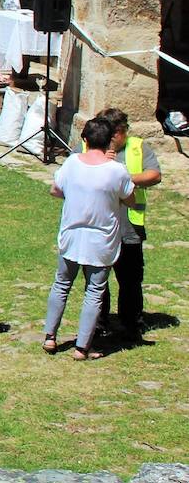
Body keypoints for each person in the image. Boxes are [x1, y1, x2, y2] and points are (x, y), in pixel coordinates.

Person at [43, 117, 135, 361]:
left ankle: (50, 336)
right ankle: (82, 347)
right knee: (94, 291)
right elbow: (130, 198)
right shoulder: (116, 170)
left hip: (72, 234)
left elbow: (55, 189)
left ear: (85, 140)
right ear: (110, 142)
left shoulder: (72, 163)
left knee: (61, 284)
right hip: (101, 239)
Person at [93, 107, 161, 341]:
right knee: (97, 278)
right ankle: (98, 323)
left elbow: (154, 175)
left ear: (123, 131)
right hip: (98, 225)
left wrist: (122, 178)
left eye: (115, 134)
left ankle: (131, 323)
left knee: (131, 279)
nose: (112, 140)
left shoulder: (138, 147)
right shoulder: (90, 145)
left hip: (129, 225)